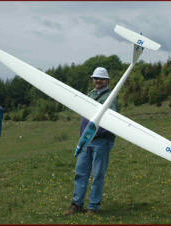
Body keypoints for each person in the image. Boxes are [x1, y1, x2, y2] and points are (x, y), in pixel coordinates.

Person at [64, 67, 119, 216]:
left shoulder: (110, 98)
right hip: (85, 141)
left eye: (101, 79)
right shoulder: (90, 94)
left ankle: (93, 207)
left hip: (101, 141)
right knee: (80, 172)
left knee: (97, 175)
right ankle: (76, 204)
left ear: (106, 81)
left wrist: (95, 134)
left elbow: (111, 121)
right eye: (95, 78)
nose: (97, 81)